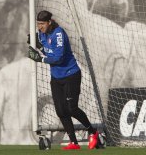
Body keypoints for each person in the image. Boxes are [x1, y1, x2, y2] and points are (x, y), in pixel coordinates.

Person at [28, 10, 99, 150]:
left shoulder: (58, 33)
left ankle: (93, 133)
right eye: (38, 24)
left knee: (72, 109)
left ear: (49, 22)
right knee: (60, 111)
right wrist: (34, 42)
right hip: (56, 78)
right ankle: (74, 142)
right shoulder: (42, 34)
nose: (39, 27)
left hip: (71, 75)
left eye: (42, 24)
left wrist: (40, 58)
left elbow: (58, 58)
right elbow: (48, 49)